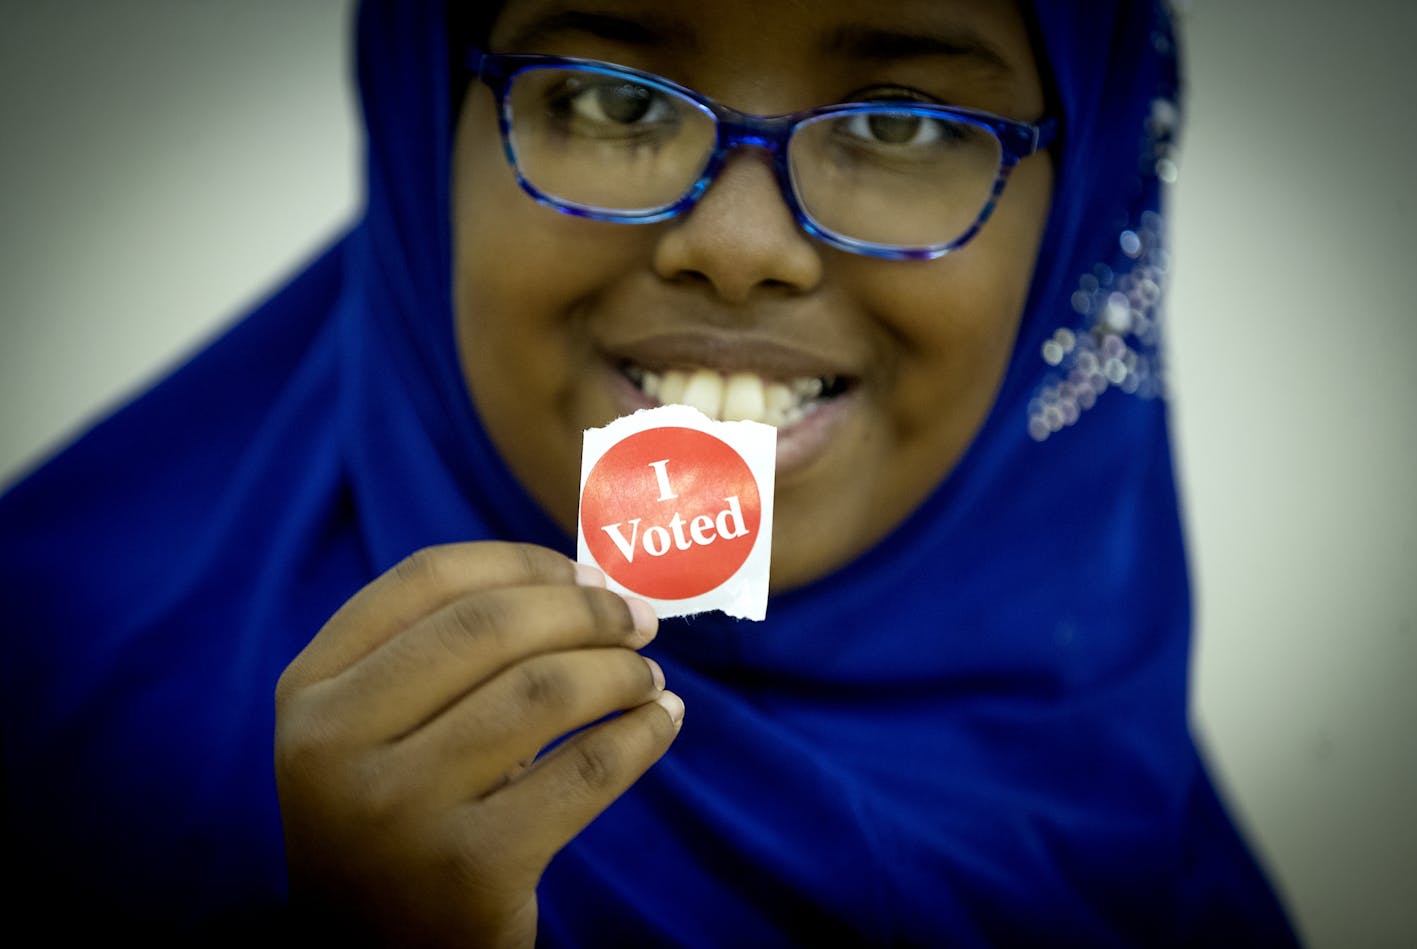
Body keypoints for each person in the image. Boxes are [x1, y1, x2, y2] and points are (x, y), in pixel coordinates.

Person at [0, 0, 1300, 944]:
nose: (739, 247)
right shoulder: (49, 703)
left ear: (1083, 219)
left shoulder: (1127, 843)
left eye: (906, 121)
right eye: (610, 98)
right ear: (419, 137)